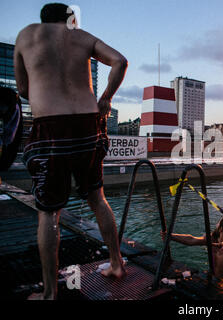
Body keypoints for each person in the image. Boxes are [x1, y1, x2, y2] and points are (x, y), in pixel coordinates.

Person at [14, 3, 128, 300]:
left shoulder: (27, 35)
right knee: (97, 197)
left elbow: (23, 89)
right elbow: (120, 61)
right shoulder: (84, 36)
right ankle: (117, 264)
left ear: (43, 19)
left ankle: (50, 293)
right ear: (70, 20)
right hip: (89, 125)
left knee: (49, 212)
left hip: (51, 128)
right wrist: (105, 99)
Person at [161, 217, 223, 285]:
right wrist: (170, 236)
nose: (217, 224)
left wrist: (221, 261)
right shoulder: (214, 238)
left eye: (219, 223)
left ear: (221, 229)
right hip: (214, 279)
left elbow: (220, 276)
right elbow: (192, 240)